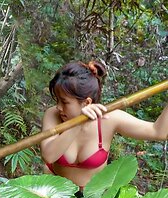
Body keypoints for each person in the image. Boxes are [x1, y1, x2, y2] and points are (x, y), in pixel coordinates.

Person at [41, 60, 168, 190]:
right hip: (54, 193)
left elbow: (159, 132)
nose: (59, 107)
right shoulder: (53, 114)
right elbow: (49, 156)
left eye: (64, 102)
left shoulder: (109, 118)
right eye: (57, 100)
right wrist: (77, 124)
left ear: (86, 102)